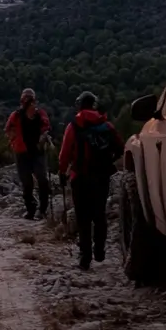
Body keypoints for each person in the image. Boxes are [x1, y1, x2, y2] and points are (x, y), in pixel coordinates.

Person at [59, 91, 124, 270]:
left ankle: (85, 257)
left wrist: (62, 172)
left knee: (83, 218)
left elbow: (64, 153)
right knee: (99, 213)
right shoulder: (106, 125)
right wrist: (108, 161)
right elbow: (120, 147)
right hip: (101, 176)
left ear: (79, 105)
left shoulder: (74, 125)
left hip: (79, 177)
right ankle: (100, 250)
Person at [4, 88, 52, 220]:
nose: (28, 102)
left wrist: (44, 136)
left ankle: (42, 210)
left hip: (37, 151)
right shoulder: (16, 115)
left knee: (42, 179)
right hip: (22, 152)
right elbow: (7, 129)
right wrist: (13, 137)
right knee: (27, 183)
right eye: (26, 100)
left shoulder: (40, 114)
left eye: (30, 99)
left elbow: (46, 127)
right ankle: (31, 209)